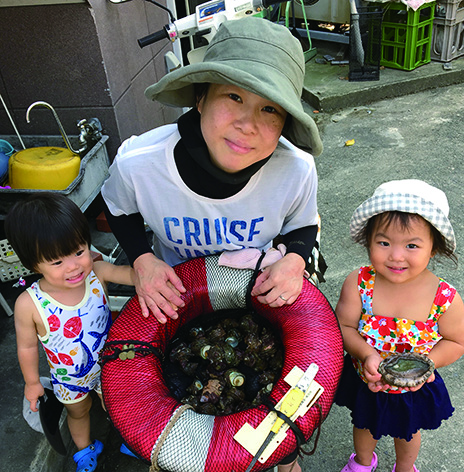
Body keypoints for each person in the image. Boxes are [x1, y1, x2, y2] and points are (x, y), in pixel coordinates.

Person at [101, 17, 324, 334]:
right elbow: (117, 206)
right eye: (234, 97)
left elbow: (302, 224)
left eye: (270, 109)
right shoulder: (139, 164)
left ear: (286, 122)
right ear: (200, 98)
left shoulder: (295, 169)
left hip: (255, 290)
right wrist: (141, 259)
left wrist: (295, 260)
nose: (247, 125)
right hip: (177, 293)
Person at [334, 179, 464, 472]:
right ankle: (361, 462)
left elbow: (457, 341)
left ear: (433, 248)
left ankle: (405, 468)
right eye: (384, 242)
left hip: (414, 388)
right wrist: (366, 353)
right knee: (364, 422)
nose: (396, 255)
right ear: (368, 240)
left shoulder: (444, 297)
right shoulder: (359, 283)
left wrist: (427, 363)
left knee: (407, 432)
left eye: (412, 245)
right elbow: (343, 326)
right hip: (366, 378)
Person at [4, 193, 135, 472]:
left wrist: (151, 272)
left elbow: (131, 274)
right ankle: (84, 449)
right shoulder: (29, 304)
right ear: (33, 264)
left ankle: (130, 438)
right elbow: (26, 347)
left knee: (118, 405)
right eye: (57, 262)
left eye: (78, 251)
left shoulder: (97, 272)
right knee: (79, 412)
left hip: (110, 364)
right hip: (69, 377)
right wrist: (31, 383)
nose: (74, 266)